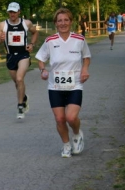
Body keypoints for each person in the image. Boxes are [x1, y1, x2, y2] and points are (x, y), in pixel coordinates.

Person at [35, 8, 91, 158]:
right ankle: (66, 145)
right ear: (55, 23)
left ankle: (77, 134)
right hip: (55, 86)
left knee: (71, 118)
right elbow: (40, 59)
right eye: (60, 20)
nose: (63, 23)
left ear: (71, 22)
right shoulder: (50, 41)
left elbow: (87, 57)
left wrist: (85, 69)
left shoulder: (79, 39)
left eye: (66, 20)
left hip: (75, 85)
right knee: (60, 119)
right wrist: (43, 71)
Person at [0, 2, 38, 119]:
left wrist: (32, 44)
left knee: (19, 78)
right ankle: (24, 98)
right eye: (10, 12)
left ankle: (20, 106)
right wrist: (0, 39)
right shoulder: (3, 25)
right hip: (11, 56)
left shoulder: (26, 23)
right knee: (17, 83)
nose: (12, 14)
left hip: (23, 55)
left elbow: (35, 32)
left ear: (19, 12)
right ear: (8, 12)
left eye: (14, 11)